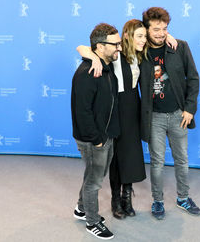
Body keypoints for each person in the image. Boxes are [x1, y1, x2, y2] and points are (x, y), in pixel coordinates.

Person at [76, 19, 177, 220]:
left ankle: (127, 198)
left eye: (144, 36)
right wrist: (92, 57)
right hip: (115, 109)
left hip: (133, 109)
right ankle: (115, 200)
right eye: (139, 36)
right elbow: (82, 47)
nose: (144, 39)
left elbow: (159, 41)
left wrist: (170, 36)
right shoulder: (114, 53)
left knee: (130, 155)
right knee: (114, 158)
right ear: (127, 37)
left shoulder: (141, 55)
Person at [139, 7, 200, 220]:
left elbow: (193, 78)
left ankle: (183, 198)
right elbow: (124, 36)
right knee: (157, 162)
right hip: (153, 117)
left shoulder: (180, 47)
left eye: (165, 29)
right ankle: (157, 201)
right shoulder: (139, 51)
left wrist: (189, 109)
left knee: (182, 159)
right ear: (146, 29)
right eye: (155, 29)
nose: (161, 33)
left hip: (178, 115)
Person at [71, 23, 121, 240]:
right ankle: (92, 221)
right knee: (94, 181)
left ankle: (81, 208)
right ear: (100, 47)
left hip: (106, 134)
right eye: (115, 44)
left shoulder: (106, 67)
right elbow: (82, 112)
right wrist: (97, 140)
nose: (119, 48)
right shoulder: (88, 72)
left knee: (93, 174)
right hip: (94, 139)